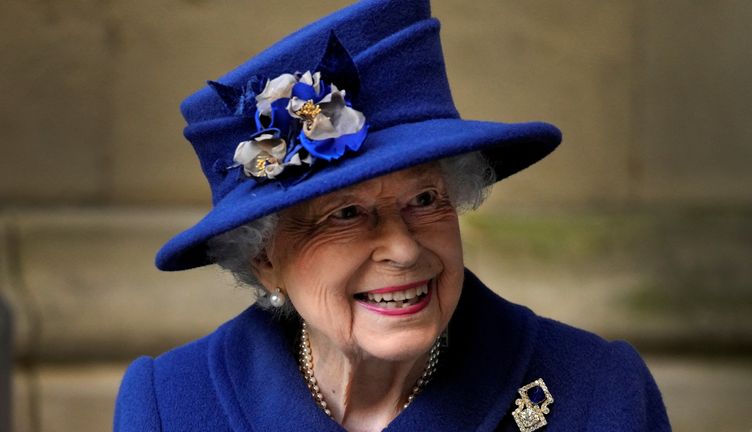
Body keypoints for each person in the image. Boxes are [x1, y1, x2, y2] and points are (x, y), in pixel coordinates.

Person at [113, 1, 671, 431]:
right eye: (347, 213)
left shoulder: (599, 393)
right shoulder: (173, 405)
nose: (403, 249)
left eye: (425, 200)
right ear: (265, 257)